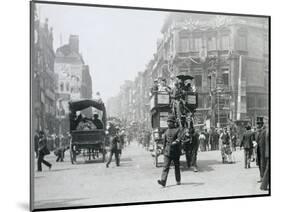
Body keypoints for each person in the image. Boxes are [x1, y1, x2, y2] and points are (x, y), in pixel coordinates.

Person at [157, 115, 181, 187]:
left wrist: (176, 142)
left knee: (177, 167)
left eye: (170, 122)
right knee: (165, 167)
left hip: (175, 152)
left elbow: (179, 138)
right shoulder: (166, 131)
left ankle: (178, 180)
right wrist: (163, 150)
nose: (168, 123)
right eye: (168, 122)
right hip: (167, 152)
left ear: (174, 123)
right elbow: (164, 142)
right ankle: (163, 181)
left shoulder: (178, 130)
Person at [256, 117, 267, 183]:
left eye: (259, 124)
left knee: (263, 164)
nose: (258, 125)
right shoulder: (258, 131)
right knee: (260, 164)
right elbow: (256, 140)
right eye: (257, 123)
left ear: (262, 124)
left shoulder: (264, 131)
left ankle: (263, 178)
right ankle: (261, 177)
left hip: (263, 151)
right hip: (259, 151)